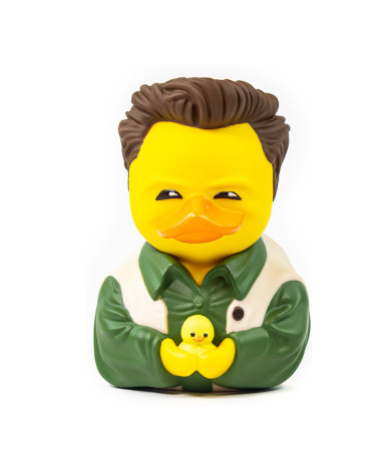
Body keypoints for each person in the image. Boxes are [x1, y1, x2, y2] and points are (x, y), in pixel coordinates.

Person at [94, 77, 310, 392]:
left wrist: (233, 357)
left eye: (228, 195)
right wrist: (162, 357)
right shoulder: (123, 288)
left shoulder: (280, 287)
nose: (196, 213)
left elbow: (285, 341)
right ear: (132, 188)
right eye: (169, 195)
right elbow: (112, 345)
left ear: (271, 188)